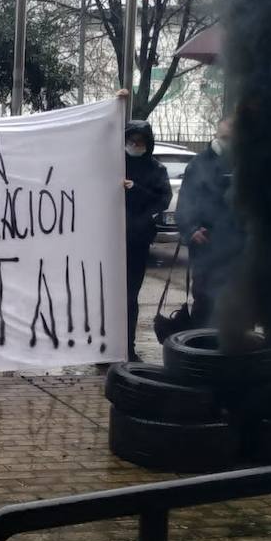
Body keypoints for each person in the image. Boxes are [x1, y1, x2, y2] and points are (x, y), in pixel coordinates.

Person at [176, 117, 244, 328]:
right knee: (205, 299)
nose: (229, 142)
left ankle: (237, 349)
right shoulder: (199, 164)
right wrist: (191, 230)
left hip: (239, 247)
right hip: (207, 245)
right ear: (216, 134)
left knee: (239, 301)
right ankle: (201, 349)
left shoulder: (247, 164)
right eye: (225, 137)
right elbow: (184, 202)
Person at [122, 120, 172, 361]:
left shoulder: (156, 170)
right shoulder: (114, 164)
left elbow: (161, 199)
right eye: (131, 140)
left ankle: (127, 348)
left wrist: (136, 190)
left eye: (140, 141)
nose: (135, 145)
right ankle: (106, 346)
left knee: (130, 297)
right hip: (108, 241)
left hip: (136, 241)